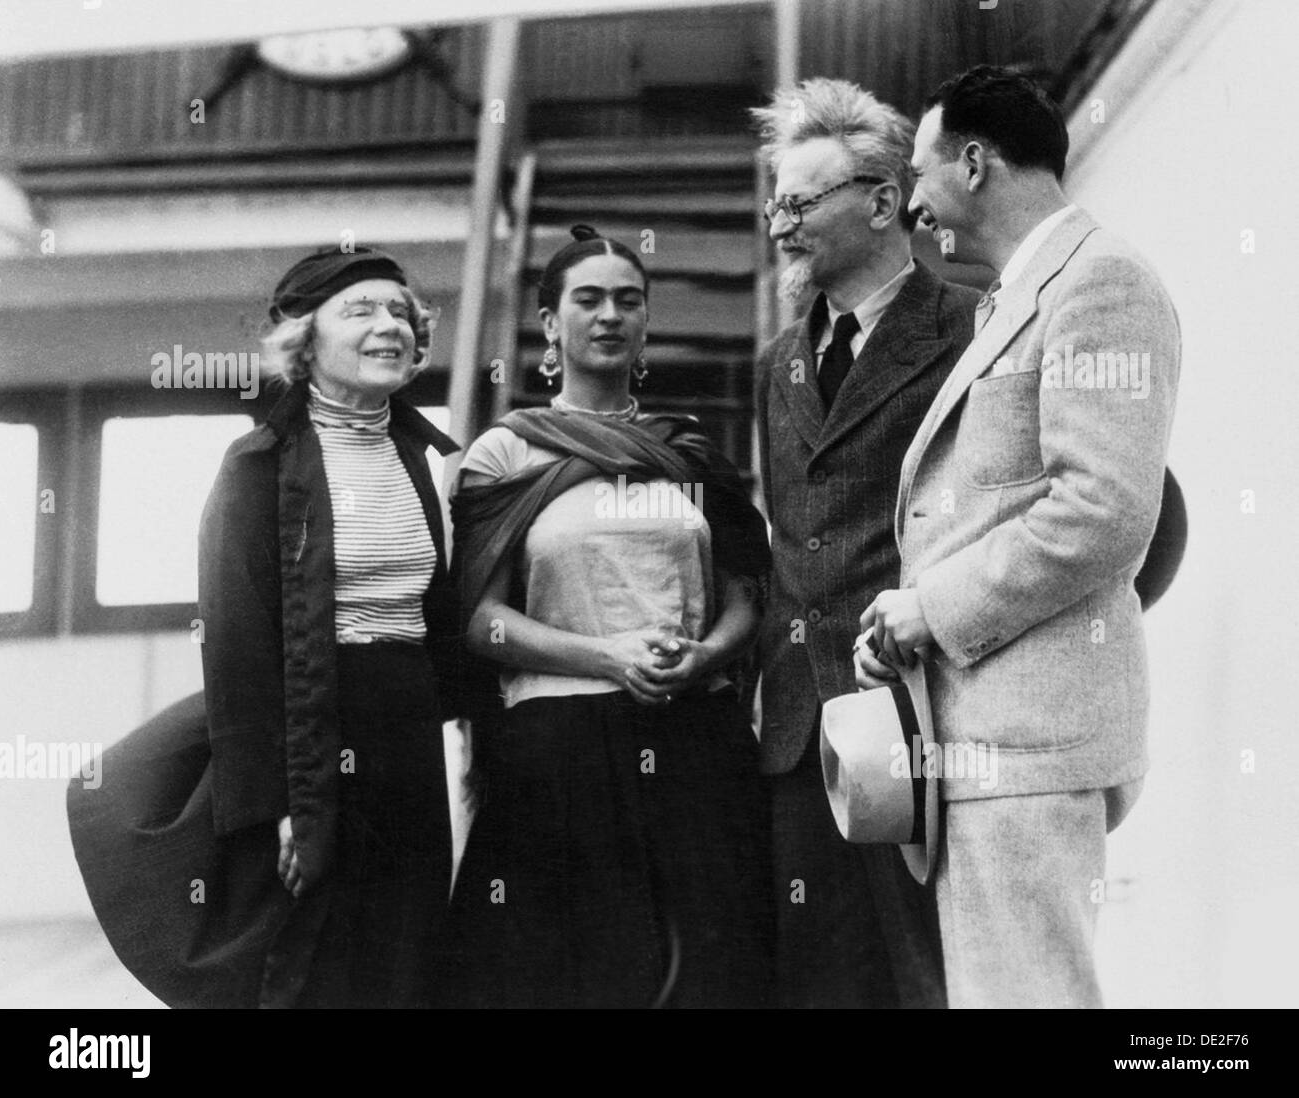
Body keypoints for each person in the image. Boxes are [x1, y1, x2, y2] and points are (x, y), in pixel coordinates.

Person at [857, 65, 1181, 1008]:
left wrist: (933, 609)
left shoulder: (1101, 281)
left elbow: (1105, 509)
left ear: (973, 162)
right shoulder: (1019, 293)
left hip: (1032, 746)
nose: (912, 204)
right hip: (989, 741)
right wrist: (907, 620)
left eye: (917, 175)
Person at [68, 246, 461, 1008]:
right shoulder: (255, 467)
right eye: (362, 311)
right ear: (304, 342)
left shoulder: (419, 457)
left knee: (405, 953)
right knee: (315, 962)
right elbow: (240, 647)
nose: (391, 326)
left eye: (402, 314)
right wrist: (285, 804)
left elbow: (437, 619)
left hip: (405, 737)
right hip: (314, 736)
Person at [435, 225, 773, 1008]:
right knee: (568, 975)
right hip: (559, 749)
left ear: (646, 322)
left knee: (712, 973)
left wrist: (704, 656)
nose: (609, 315)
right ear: (550, 323)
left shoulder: (686, 451)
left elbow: (745, 598)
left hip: (693, 737)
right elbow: (479, 622)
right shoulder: (507, 454)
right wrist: (608, 655)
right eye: (587, 300)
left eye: (629, 300)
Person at [749, 78, 980, 1008]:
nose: (779, 226)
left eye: (800, 203)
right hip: (806, 736)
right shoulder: (779, 360)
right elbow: (788, 534)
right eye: (776, 204)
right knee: (820, 984)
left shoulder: (975, 325)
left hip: (929, 719)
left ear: (885, 202)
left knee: (937, 982)